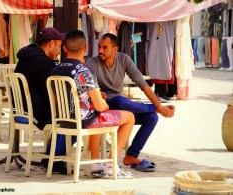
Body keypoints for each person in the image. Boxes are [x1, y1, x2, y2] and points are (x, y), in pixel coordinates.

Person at [85, 33, 175, 172]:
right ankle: (154, 108)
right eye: (99, 47)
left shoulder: (124, 59)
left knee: (152, 118)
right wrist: (158, 106)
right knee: (121, 101)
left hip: (121, 109)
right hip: (104, 107)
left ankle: (131, 155)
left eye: (104, 47)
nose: (100, 51)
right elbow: (87, 86)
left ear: (115, 49)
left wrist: (158, 106)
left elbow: (143, 84)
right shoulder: (92, 62)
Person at [51, 30, 135, 179]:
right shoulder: (85, 70)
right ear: (85, 49)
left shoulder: (55, 70)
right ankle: (111, 165)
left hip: (63, 120)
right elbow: (100, 107)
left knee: (96, 115)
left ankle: (96, 163)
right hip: (84, 121)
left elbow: (60, 100)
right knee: (129, 117)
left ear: (65, 48)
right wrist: (104, 103)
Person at [14, 27, 72, 175]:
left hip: (21, 112)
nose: (60, 51)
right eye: (59, 46)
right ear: (51, 43)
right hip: (33, 114)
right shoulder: (44, 64)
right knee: (72, 118)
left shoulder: (26, 57)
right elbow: (52, 97)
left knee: (64, 115)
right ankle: (53, 161)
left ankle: (52, 158)